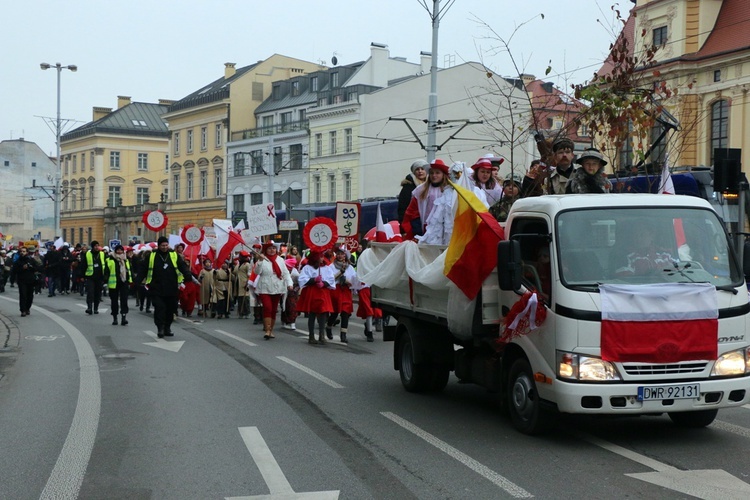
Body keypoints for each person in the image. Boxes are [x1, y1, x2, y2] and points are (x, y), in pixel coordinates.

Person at [143, 236, 195, 338]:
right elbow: (143, 268)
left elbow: (182, 266)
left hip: (171, 288)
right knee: (160, 308)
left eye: (166, 245)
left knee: (171, 309)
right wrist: (138, 280)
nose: (165, 247)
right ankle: (160, 328)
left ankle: (167, 327)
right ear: (159, 246)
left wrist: (187, 275)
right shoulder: (152, 256)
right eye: (162, 245)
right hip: (156, 287)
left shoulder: (174, 255)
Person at [401, 158, 452, 241]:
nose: (434, 175)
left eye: (437, 173)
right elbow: (412, 212)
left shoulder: (450, 190)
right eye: (431, 173)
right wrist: (417, 231)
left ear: (443, 174)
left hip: (446, 229)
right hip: (425, 228)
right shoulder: (420, 190)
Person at [254, 241, 293, 340]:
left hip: (277, 286)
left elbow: (285, 273)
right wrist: (260, 262)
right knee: (267, 307)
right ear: (266, 250)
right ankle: (267, 329)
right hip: (265, 287)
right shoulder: (262, 259)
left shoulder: (280, 260)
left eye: (274, 248)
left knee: (274, 309)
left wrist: (289, 284)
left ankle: (270, 330)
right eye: (269, 248)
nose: (272, 250)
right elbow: (257, 272)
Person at [296, 250, 335, 345]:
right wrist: (313, 280)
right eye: (320, 257)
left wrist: (324, 283)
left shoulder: (327, 268)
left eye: (322, 256)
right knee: (312, 314)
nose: (322, 258)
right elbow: (302, 279)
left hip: (323, 292)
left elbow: (331, 279)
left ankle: (322, 334)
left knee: (323, 313)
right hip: (312, 292)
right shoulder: (308, 268)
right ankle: (311, 335)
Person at [326, 246, 357, 343]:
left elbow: (354, 279)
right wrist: (340, 273)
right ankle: (328, 327)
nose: (340, 256)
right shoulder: (331, 266)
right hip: (336, 290)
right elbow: (330, 279)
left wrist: (349, 282)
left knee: (345, 313)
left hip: (346, 291)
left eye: (342, 254)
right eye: (338, 254)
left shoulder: (350, 267)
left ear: (345, 255)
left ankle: (343, 335)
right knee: (335, 313)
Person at [11, 245, 42, 316]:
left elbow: (38, 268)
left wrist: (32, 267)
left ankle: (27, 308)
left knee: (30, 296)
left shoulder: (31, 260)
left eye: (24, 251)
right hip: (22, 281)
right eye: (21, 251)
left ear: (27, 252)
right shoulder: (18, 261)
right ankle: (23, 310)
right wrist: (22, 268)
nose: (22, 253)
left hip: (30, 280)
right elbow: (14, 271)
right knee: (23, 295)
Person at [105, 244, 132, 326]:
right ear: (115, 251)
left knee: (124, 300)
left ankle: (124, 317)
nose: (119, 252)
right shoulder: (110, 259)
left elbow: (129, 271)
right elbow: (106, 272)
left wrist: (131, 280)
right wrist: (105, 281)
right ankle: (115, 318)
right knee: (114, 301)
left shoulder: (126, 260)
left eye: (121, 250)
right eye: (118, 250)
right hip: (114, 283)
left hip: (124, 282)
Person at [79, 240, 106, 315]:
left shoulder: (102, 254)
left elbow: (106, 265)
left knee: (98, 293)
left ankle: (96, 308)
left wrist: (106, 276)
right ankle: (89, 307)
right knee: (90, 292)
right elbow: (83, 265)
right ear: (92, 247)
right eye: (95, 246)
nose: (97, 247)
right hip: (90, 276)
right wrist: (82, 276)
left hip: (100, 277)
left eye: (98, 246)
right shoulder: (88, 254)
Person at [281, 257, 300, 330]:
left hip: (292, 292)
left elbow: (300, 284)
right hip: (283, 291)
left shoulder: (296, 274)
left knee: (292, 307)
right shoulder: (283, 272)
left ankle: (292, 322)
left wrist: (294, 290)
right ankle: (284, 321)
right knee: (284, 306)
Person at [233, 251, 253, 319]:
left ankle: (247, 312)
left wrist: (248, 283)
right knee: (240, 299)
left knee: (246, 299)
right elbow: (235, 272)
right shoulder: (238, 265)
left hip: (245, 282)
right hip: (238, 282)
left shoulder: (247, 264)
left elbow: (250, 274)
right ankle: (240, 312)